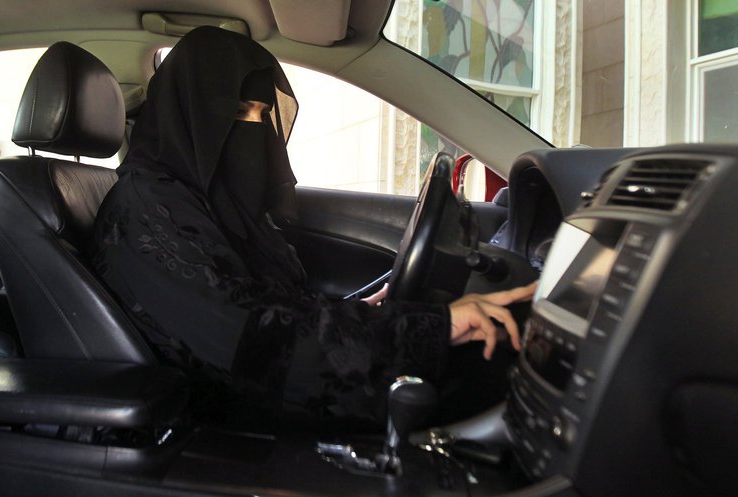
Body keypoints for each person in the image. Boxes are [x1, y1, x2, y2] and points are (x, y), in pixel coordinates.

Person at [91, 26, 536, 427]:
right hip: (219, 428)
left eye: (265, 113)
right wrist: (428, 329)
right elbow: (251, 339)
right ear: (191, 111)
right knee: (488, 377)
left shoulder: (202, 199)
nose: (258, 131)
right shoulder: (146, 209)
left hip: (255, 390)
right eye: (243, 111)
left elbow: (269, 307)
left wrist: (377, 313)